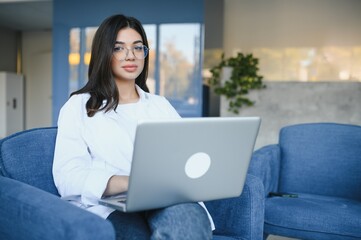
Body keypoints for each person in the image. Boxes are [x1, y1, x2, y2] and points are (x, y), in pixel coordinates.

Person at [52, 14, 214, 239]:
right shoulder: (79, 106)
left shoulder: (160, 105)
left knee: (187, 224)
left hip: (165, 197)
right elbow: (67, 176)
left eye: (138, 48)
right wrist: (129, 182)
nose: (131, 55)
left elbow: (186, 155)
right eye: (119, 48)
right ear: (104, 53)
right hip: (112, 205)